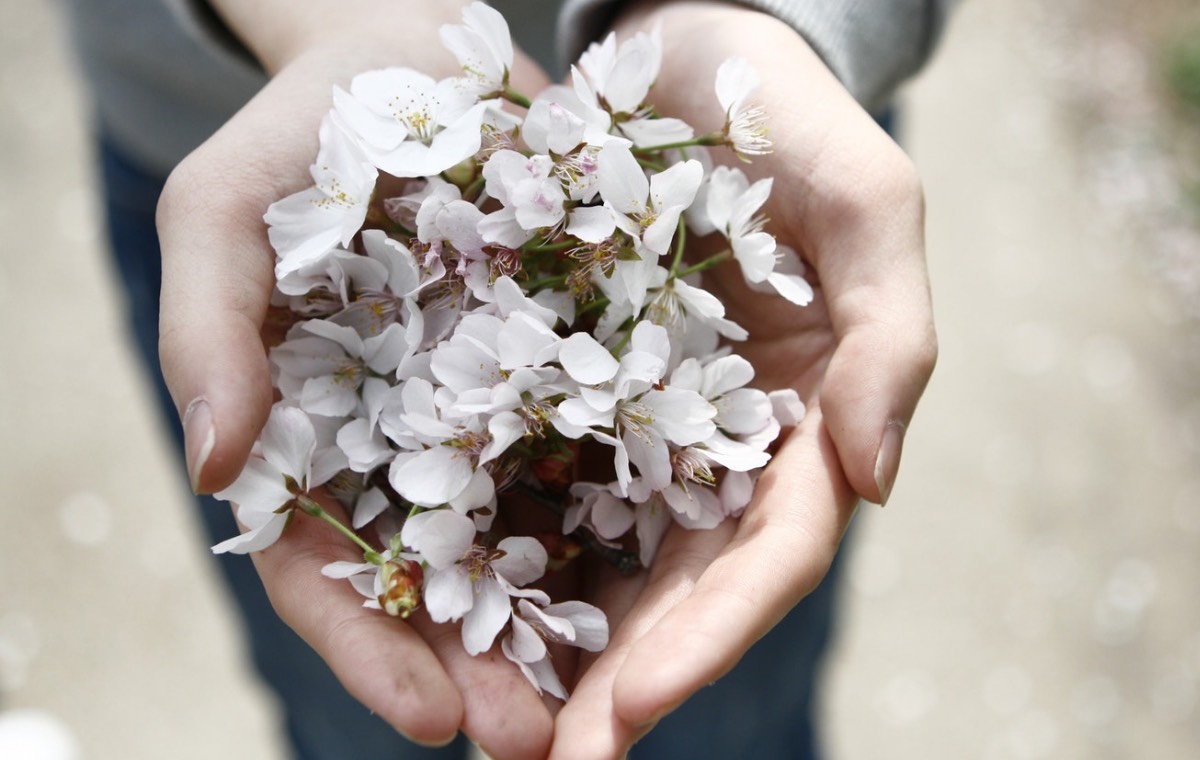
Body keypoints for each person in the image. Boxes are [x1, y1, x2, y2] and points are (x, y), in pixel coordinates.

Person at [63, 0, 947, 757]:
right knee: (353, 710)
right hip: (227, 126)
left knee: (725, 715)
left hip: (735, 99)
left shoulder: (661, 244)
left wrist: (757, 18)